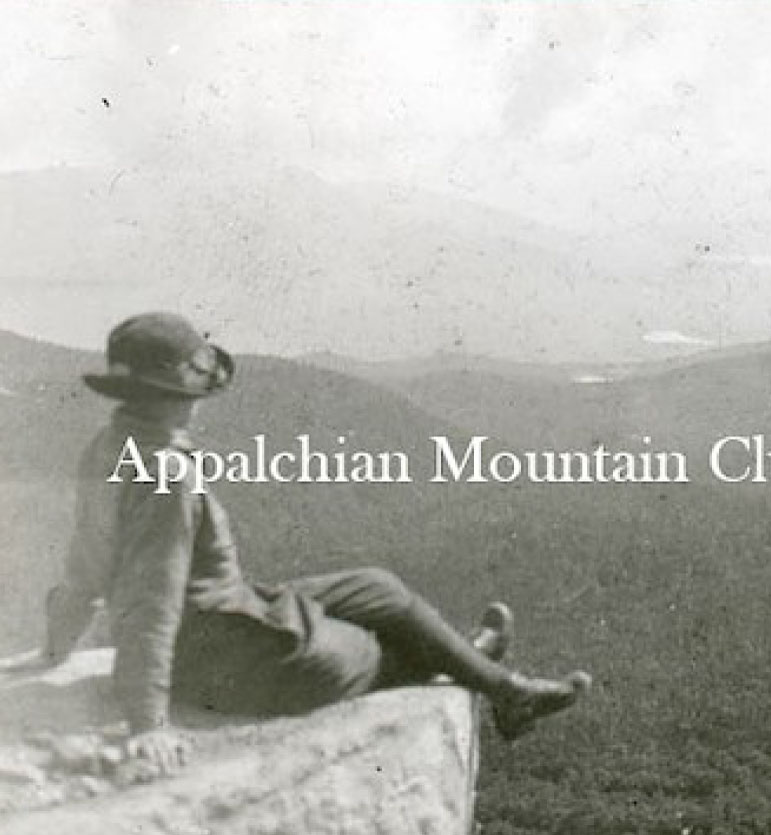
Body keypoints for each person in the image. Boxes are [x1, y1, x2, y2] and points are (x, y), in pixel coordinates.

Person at [41, 312, 590, 773]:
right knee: (360, 654)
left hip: (227, 618)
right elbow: (153, 600)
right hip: (218, 655)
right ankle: (478, 668)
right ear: (175, 394)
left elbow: (85, 562)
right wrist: (148, 722)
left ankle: (500, 683)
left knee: (380, 591)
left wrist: (56, 643)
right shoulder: (167, 475)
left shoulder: (109, 447)